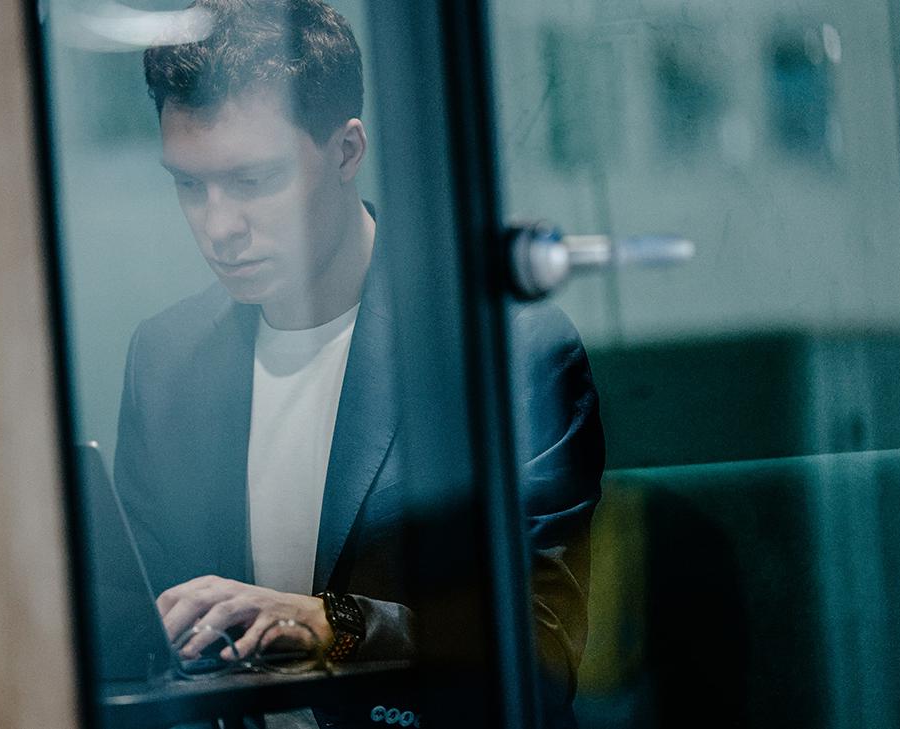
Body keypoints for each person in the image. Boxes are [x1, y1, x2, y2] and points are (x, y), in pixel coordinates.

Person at [108, 0, 604, 726]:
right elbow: (132, 628)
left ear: (346, 151)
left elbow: (542, 651)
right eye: (190, 184)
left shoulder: (509, 353)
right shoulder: (164, 360)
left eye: (252, 181)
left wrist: (338, 624)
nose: (218, 226)